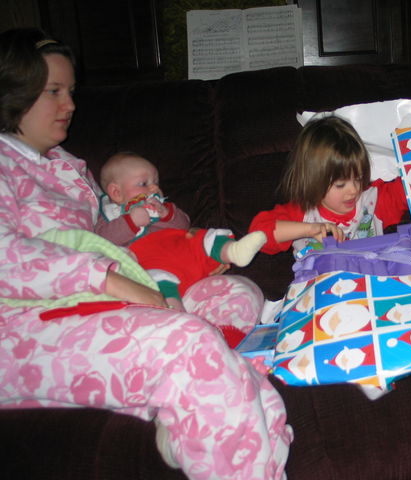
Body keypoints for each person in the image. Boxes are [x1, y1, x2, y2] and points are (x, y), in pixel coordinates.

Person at [0, 28, 291, 480]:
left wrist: (186, 252)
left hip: (97, 300)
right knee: (192, 342)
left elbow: (111, 236)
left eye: (71, 91)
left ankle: (189, 405)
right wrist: (112, 279)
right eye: (54, 91)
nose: (70, 104)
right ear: (13, 92)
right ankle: (194, 387)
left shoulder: (71, 169)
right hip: (26, 322)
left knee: (231, 297)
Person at [96, 151, 267, 311]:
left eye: (156, 182)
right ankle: (175, 311)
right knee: (157, 279)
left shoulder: (163, 207)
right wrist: (131, 222)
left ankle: (233, 251)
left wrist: (166, 214)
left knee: (205, 238)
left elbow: (184, 224)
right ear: (116, 193)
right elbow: (102, 241)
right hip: (151, 261)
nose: (154, 188)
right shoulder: (110, 215)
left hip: (184, 251)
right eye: (143, 183)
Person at [249, 115, 409, 257]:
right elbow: (257, 235)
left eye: (359, 178)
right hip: (320, 280)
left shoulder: (374, 200)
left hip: (371, 278)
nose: (354, 190)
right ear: (313, 180)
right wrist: (309, 229)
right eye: (340, 184)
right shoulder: (303, 213)